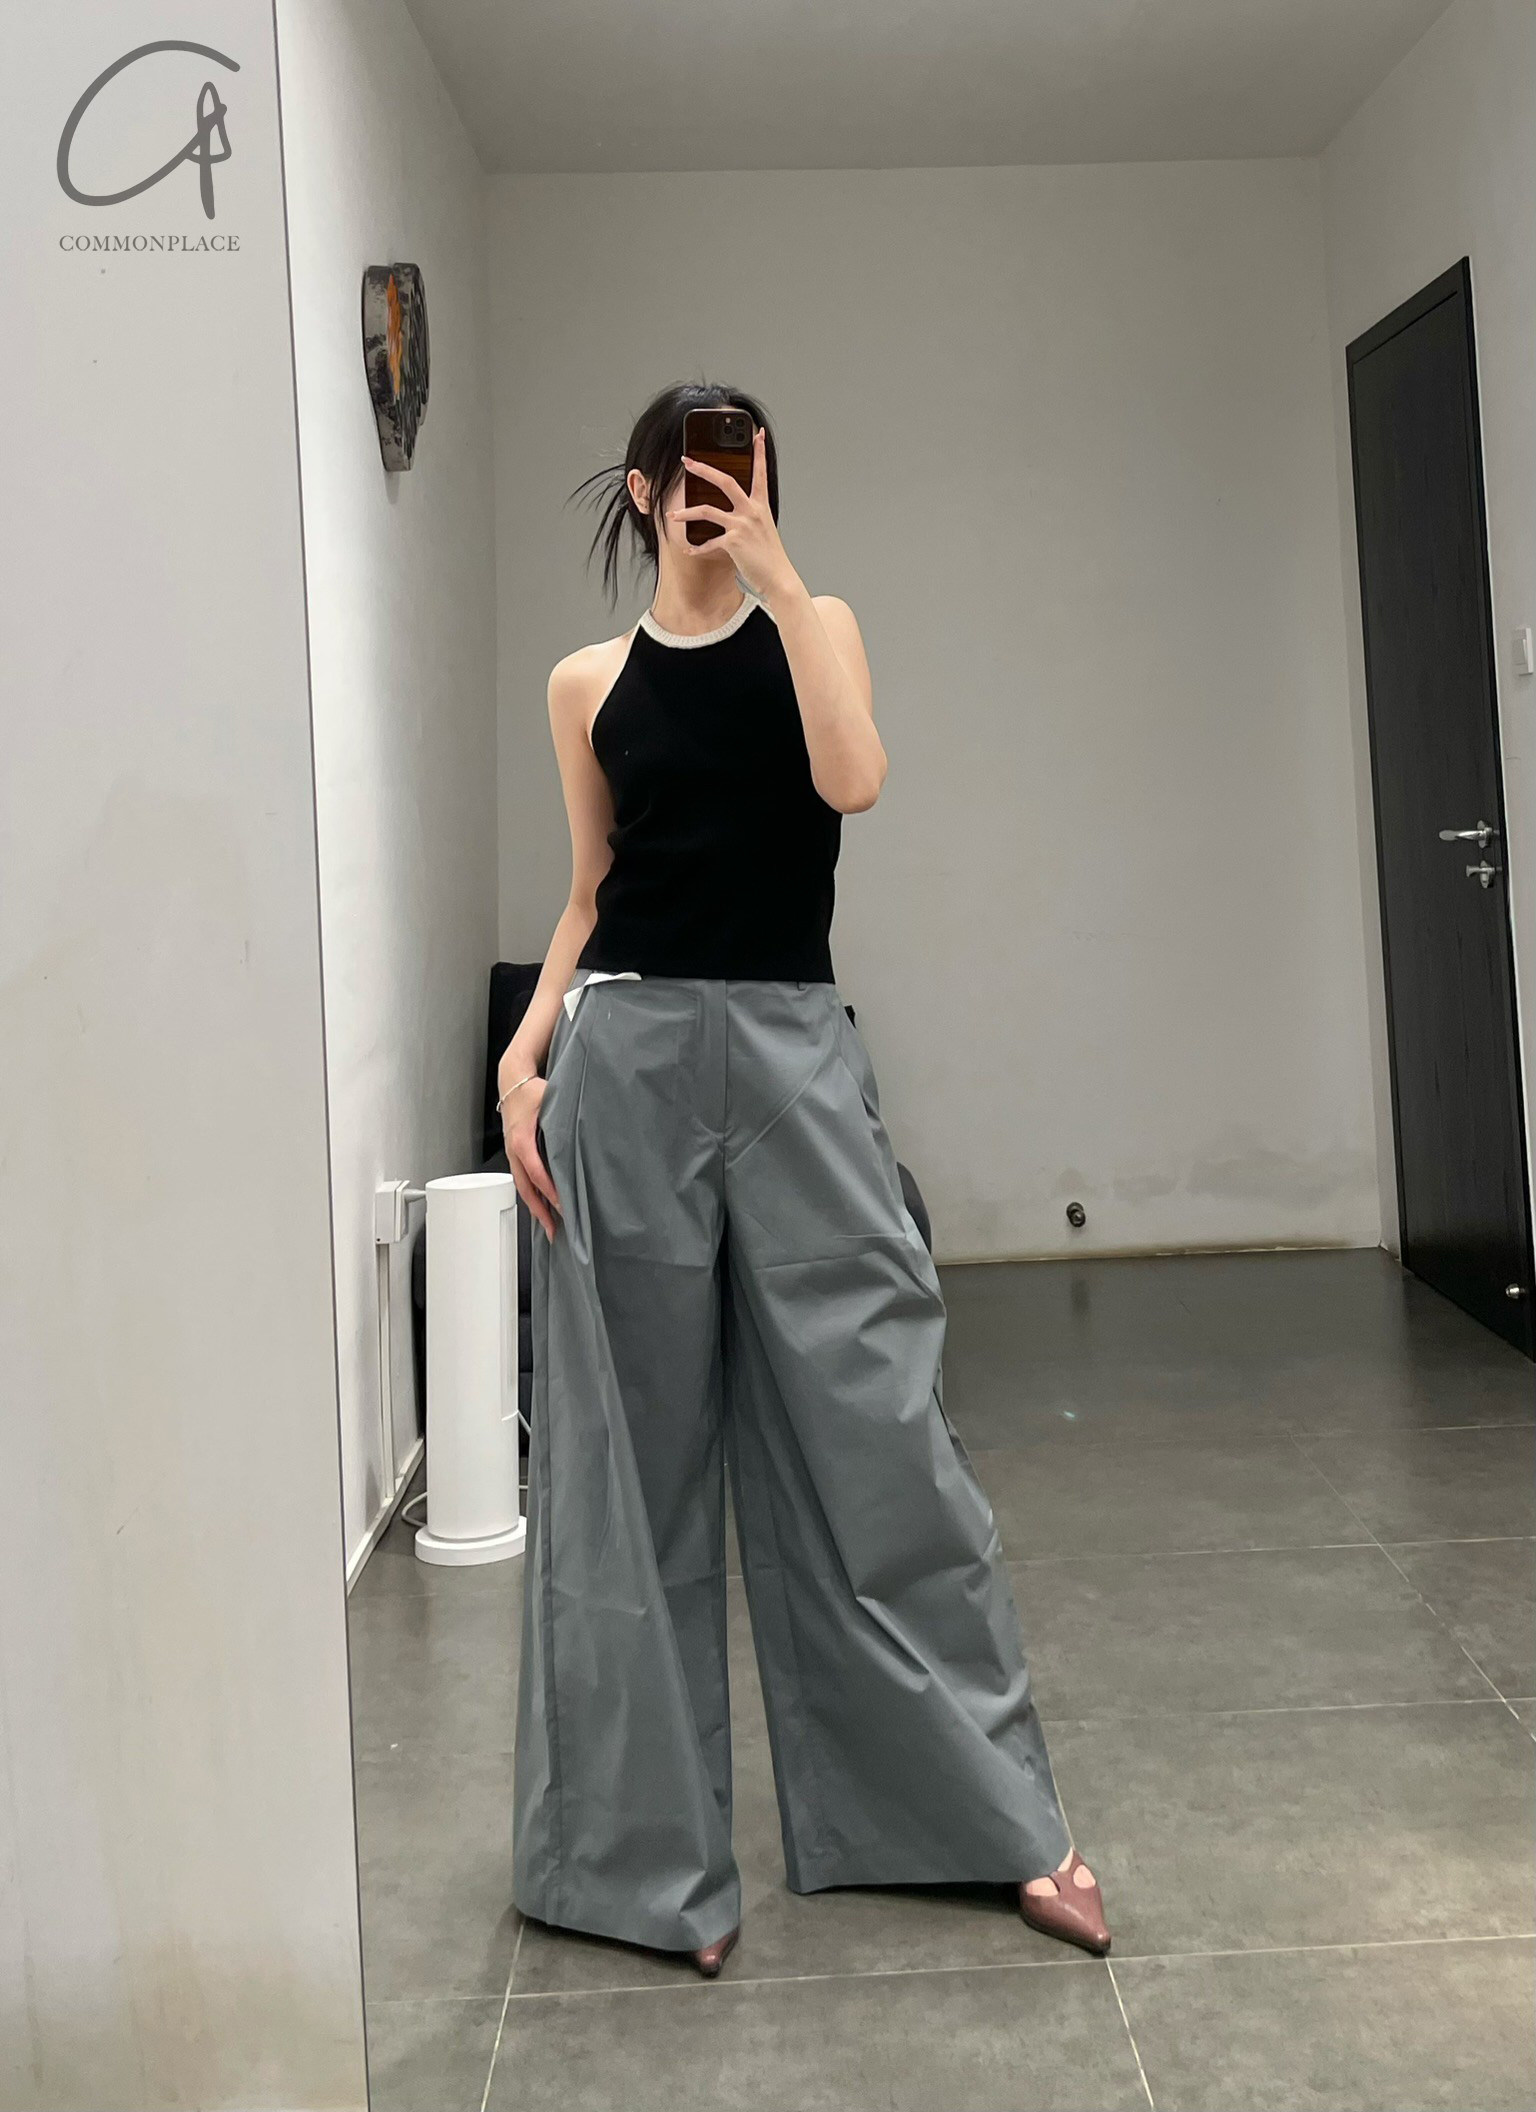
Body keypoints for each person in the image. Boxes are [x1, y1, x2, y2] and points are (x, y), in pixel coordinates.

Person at [497, 380, 1110, 1978]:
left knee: (882, 1427)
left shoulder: (815, 622)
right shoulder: (584, 681)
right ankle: (638, 1868)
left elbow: (855, 781)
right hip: (626, 1060)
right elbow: (592, 890)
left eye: (745, 470)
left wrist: (777, 576)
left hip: (792, 1055)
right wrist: (524, 1054)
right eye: (692, 474)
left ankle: (991, 1819)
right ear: (645, 491)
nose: (716, 493)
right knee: (625, 1465)